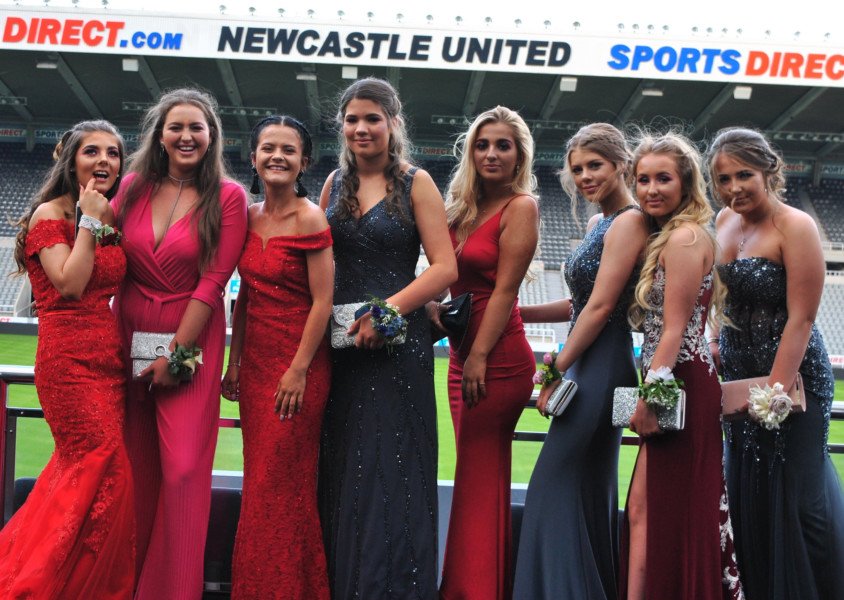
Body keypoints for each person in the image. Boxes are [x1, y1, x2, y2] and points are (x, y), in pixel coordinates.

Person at [317, 77, 457, 599]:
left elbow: (444, 268)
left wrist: (388, 311)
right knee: (345, 465)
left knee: (394, 468)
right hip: (344, 351)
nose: (361, 128)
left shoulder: (416, 182)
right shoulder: (333, 184)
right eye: (352, 119)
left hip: (399, 350)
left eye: (372, 118)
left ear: (393, 123)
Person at [111, 88, 248, 599]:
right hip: (125, 335)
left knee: (185, 469)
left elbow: (214, 282)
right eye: (176, 127)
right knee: (135, 469)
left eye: (197, 127)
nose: (186, 136)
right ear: (160, 134)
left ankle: (175, 590)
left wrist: (176, 353)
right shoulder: (130, 187)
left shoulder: (229, 197)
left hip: (190, 336)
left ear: (212, 136)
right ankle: (127, 585)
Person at [707, 127, 844, 600]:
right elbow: (719, 300)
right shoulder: (723, 220)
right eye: (723, 178)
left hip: (792, 380)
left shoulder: (796, 226)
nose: (734, 188)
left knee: (801, 497)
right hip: (740, 376)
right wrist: (714, 343)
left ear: (769, 170)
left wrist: (775, 396)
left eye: (744, 174)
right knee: (749, 489)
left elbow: (802, 319)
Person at [513, 123, 647, 600]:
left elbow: (602, 307)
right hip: (587, 363)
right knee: (583, 488)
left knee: (553, 486)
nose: (585, 176)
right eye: (577, 170)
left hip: (603, 367)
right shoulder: (598, 224)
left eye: (596, 166)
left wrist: (552, 366)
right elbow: (578, 302)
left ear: (621, 165)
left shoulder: (632, 220)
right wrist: (518, 310)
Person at [0, 120, 134, 597]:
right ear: (70, 158)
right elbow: (72, 284)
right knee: (100, 466)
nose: (104, 161)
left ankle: (73, 583)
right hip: (68, 364)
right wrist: (91, 220)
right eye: (92, 151)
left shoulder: (107, 214)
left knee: (93, 478)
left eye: (114, 153)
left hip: (109, 364)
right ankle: (39, 584)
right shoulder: (49, 216)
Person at [620, 132, 742, 600]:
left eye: (663, 179)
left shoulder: (687, 236)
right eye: (643, 179)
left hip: (679, 386)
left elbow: (673, 329)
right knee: (645, 511)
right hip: (675, 381)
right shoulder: (669, 234)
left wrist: (652, 398)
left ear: (686, 181)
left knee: (663, 514)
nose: (651, 189)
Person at [221, 115, 333, 599]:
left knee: (282, 485)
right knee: (259, 481)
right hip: (258, 365)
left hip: (299, 367)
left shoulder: (311, 218)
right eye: (268, 148)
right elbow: (244, 296)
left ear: (304, 161)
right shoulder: (246, 216)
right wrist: (234, 361)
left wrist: (298, 370)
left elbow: (323, 303)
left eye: (289, 150)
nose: (277, 157)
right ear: (253, 158)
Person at [435, 106, 539, 600]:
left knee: (478, 472)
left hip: (496, 359)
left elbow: (504, 292)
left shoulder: (522, 207)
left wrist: (476, 356)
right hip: (463, 353)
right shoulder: (459, 207)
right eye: (482, 144)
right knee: (475, 473)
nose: (491, 154)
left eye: (503, 145)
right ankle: (472, 584)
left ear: (520, 154)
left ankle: (471, 589)